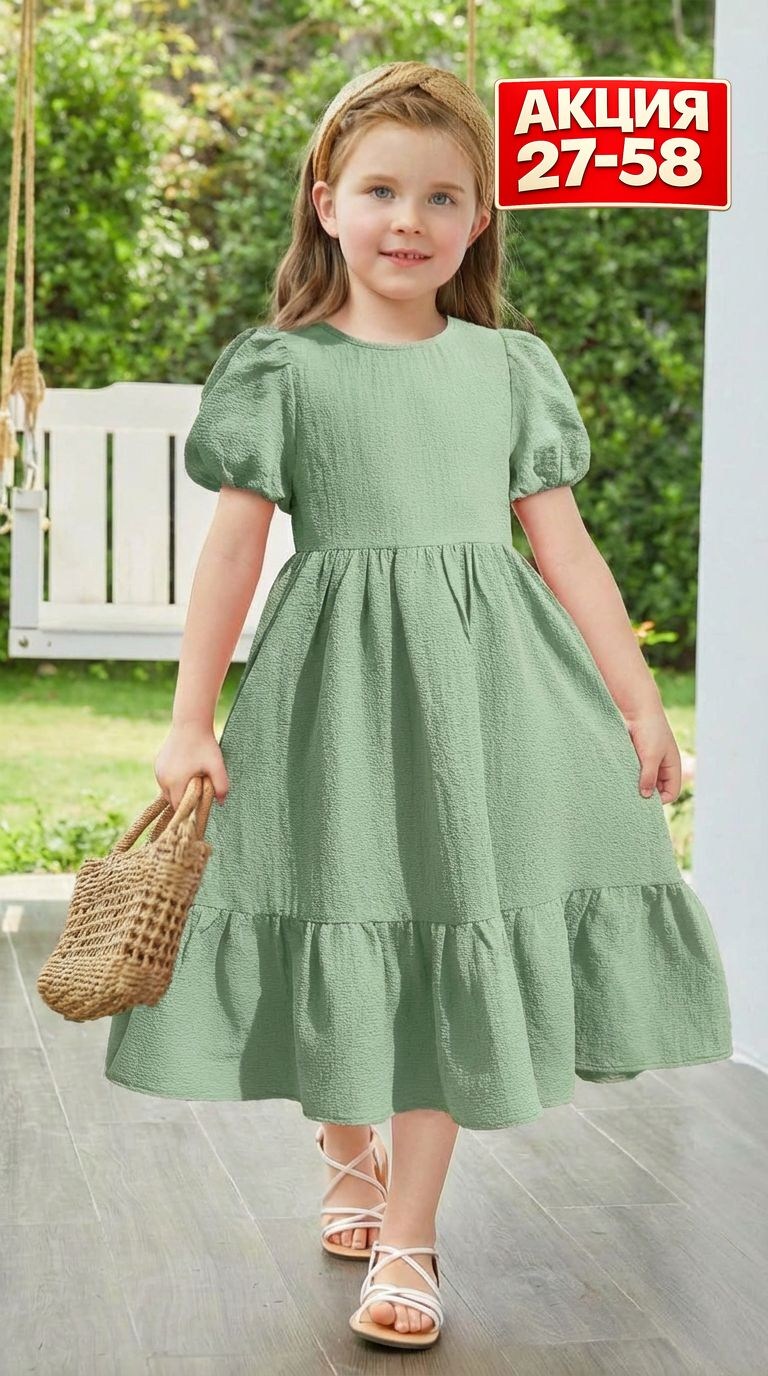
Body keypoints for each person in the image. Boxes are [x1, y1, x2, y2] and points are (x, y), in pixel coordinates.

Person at [102, 61, 733, 1351]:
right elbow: (232, 554)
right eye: (381, 191)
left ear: (479, 219)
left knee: (448, 917)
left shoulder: (509, 367)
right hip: (327, 689)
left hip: (487, 695)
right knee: (338, 901)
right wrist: (189, 719)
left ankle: (410, 1234)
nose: (409, 219)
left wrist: (640, 702)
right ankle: (348, 1150)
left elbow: (567, 550)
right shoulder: (282, 368)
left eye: (443, 197)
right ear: (326, 203)